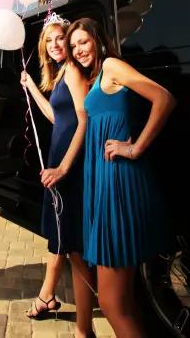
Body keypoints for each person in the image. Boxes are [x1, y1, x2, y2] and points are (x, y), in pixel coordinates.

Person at [66, 17, 176, 338]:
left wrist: (135, 148)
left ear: (99, 40)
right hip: (105, 185)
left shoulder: (112, 66)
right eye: (74, 46)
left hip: (119, 185)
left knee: (112, 304)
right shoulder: (97, 75)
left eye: (83, 42)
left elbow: (164, 99)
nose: (78, 50)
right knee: (124, 302)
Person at [21, 13, 94, 338]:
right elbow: (56, 117)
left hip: (70, 163)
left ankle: (85, 327)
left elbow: (84, 120)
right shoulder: (61, 74)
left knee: (72, 243)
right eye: (47, 41)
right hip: (58, 158)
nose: (53, 45)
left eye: (58, 38)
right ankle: (48, 296)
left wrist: (64, 166)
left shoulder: (75, 73)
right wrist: (33, 89)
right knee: (62, 237)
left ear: (68, 39)